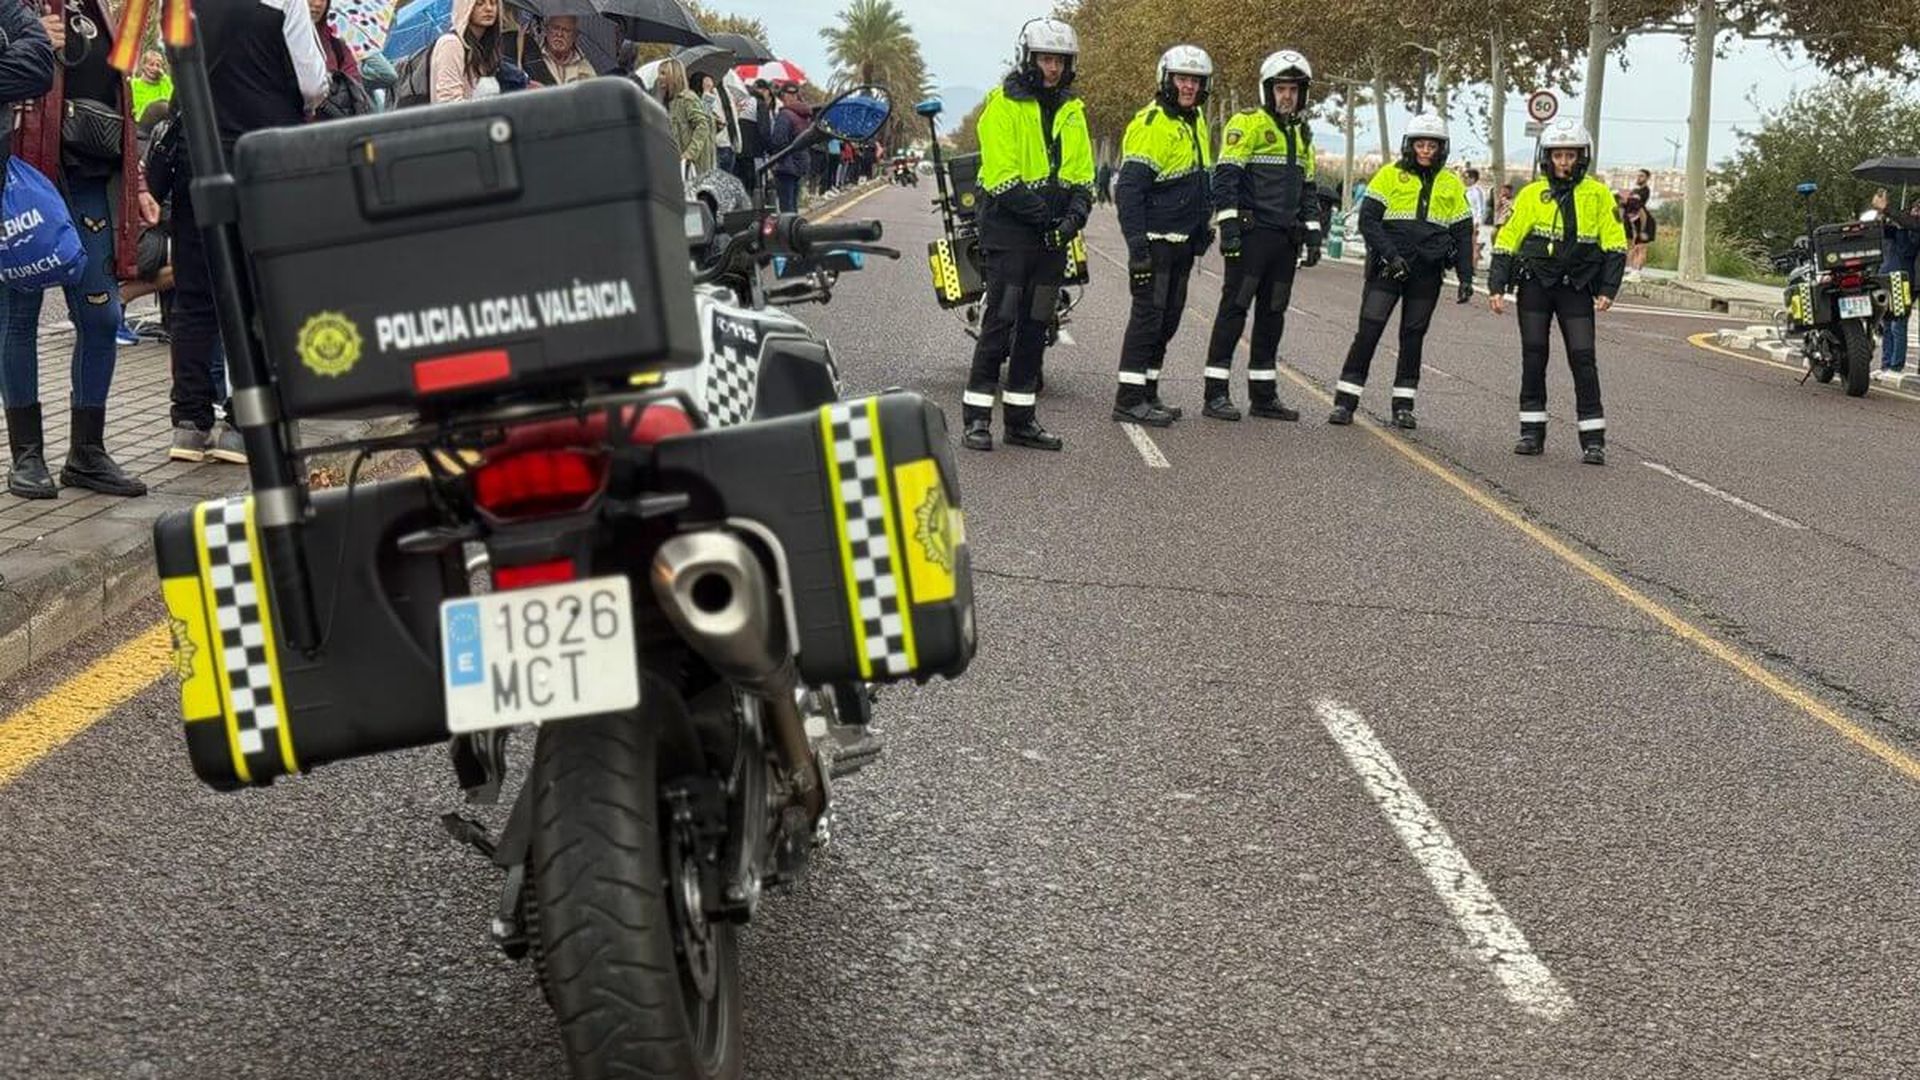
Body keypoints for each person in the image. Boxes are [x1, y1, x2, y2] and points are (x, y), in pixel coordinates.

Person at [2, 0, 159, 499]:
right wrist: (31, 45)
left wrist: (137, 183)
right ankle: (28, 455)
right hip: (27, 178)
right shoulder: (18, 8)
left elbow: (121, 103)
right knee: (18, 318)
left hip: (91, 184)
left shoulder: (101, 11)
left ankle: (87, 454)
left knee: (102, 318)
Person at [168, 0, 328, 464]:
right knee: (258, 292)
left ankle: (189, 422)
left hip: (196, 154)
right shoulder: (286, 2)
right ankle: (242, 421)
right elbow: (312, 82)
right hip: (261, 156)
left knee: (195, 294)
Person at [957, 17, 1092, 452]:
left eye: (1060, 61)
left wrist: (1072, 219)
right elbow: (1000, 177)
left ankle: (1021, 420)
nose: (1052, 69)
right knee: (1001, 319)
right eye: (1046, 59)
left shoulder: (1073, 110)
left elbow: (1082, 176)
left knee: (1035, 324)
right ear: (1028, 58)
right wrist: (1048, 221)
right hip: (1011, 229)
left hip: (1051, 236)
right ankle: (977, 418)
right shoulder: (1003, 105)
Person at [1488, 120, 1626, 465]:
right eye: (1558, 155)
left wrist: (1609, 287)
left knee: (1583, 358)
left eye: (1570, 155)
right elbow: (1508, 239)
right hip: (1535, 284)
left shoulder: (1598, 194)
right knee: (1534, 355)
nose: (1564, 161)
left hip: (1576, 287)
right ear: (1546, 158)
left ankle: (1593, 440)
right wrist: (1496, 285)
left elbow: (1615, 243)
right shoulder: (1532, 194)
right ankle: (1531, 433)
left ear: (1582, 157)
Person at [1329, 113, 1473, 430]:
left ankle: (1403, 406)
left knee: (1413, 336)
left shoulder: (1451, 182)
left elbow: (1463, 232)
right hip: (1388, 268)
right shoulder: (1389, 175)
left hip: (1428, 273)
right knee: (1369, 331)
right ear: (1410, 145)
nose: (1425, 151)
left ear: (1441, 149)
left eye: (1432, 146)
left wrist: (1466, 276)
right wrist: (1391, 256)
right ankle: (1345, 403)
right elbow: (1368, 220)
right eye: (1420, 144)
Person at [1198, 48, 1316, 423]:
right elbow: (1226, 177)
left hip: (1285, 242)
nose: (1287, 95)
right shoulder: (1246, 123)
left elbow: (1308, 188)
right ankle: (1215, 394)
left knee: (1273, 314)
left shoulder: (1302, 134)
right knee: (1234, 310)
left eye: (1294, 89)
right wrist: (1228, 227)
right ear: (1269, 90)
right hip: (1252, 238)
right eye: (1281, 88)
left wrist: (1313, 233)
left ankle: (1263, 396)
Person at [1111, 44, 1214, 427]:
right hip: (1154, 242)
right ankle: (1128, 399)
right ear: (1166, 80)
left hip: (1182, 244)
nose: (1188, 87)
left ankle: (1149, 392)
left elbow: (1198, 178)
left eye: (1195, 81)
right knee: (1147, 320)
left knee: (1168, 320)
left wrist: (1202, 227)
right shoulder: (1152, 124)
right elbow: (1130, 191)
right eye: (1182, 79)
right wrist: (1138, 249)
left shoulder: (1195, 120)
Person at [431, 0, 502, 103]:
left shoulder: (484, 48)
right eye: (479, 3)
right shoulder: (451, 44)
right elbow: (448, 102)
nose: (489, 8)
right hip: (459, 118)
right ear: (464, 7)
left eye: (493, 3)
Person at [654, 58, 714, 178]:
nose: (659, 77)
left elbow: (703, 126)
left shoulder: (687, 99)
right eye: (659, 73)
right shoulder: (669, 101)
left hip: (692, 168)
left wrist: (689, 154)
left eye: (663, 73)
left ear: (673, 76)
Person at [766, 83, 811, 212]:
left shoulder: (785, 115)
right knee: (794, 204)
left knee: (786, 207)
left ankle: (788, 232)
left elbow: (778, 141)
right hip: (801, 163)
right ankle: (795, 230)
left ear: (783, 96)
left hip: (785, 165)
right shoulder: (804, 115)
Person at [523, 15, 593, 86]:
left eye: (566, 30)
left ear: (575, 36)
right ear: (547, 29)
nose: (559, 34)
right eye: (555, 28)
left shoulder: (584, 68)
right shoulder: (531, 58)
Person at [693, 71, 734, 172]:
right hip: (715, 146)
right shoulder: (698, 98)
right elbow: (704, 114)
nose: (710, 83)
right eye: (706, 81)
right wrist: (706, 92)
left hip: (728, 144)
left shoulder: (720, 92)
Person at [130, 49, 171, 120]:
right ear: (143, 66)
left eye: (158, 65)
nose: (155, 68)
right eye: (151, 64)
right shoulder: (133, 84)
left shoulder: (165, 84)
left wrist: (163, 76)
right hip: (140, 126)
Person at [1622, 196, 1656, 279]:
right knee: (1635, 248)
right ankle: (1634, 271)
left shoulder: (1632, 202)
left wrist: (1643, 230)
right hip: (1638, 229)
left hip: (1647, 226)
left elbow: (1643, 214)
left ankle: (1636, 273)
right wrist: (1635, 235)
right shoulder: (1624, 209)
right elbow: (1632, 224)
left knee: (1641, 249)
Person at [1463, 167, 1487, 265]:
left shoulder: (1477, 191)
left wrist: (1477, 222)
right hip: (1464, 220)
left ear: (1473, 179)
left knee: (1472, 245)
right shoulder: (1465, 190)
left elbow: (1480, 208)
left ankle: (1473, 265)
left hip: (1472, 221)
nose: (1464, 179)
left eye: (1466, 177)